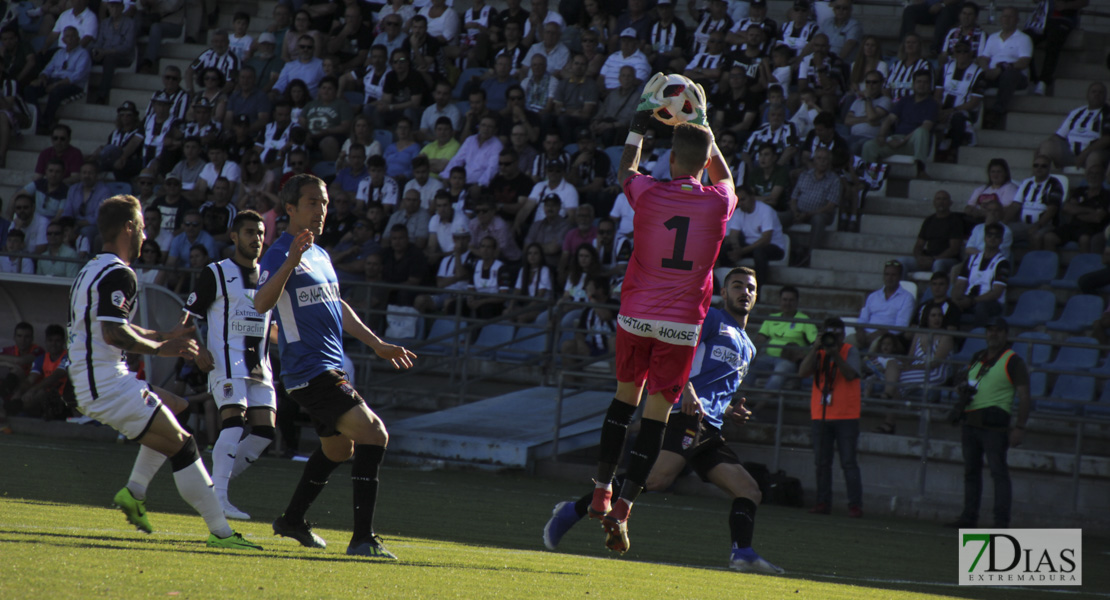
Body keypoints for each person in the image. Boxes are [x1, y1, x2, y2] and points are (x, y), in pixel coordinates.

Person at [545, 267, 783, 572]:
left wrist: (729, 410)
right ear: (723, 293)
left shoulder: (749, 347)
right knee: (658, 478)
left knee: (749, 491)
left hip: (710, 426)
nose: (744, 292)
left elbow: (715, 390)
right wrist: (686, 390)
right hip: (683, 414)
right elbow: (677, 356)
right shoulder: (711, 318)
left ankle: (742, 553)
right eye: (737, 286)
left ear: (756, 295)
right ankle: (571, 511)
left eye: (750, 287)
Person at [586, 89, 736, 554]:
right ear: (704, 158)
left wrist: (638, 122)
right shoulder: (717, 203)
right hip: (681, 327)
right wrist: (706, 126)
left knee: (621, 403)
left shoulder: (648, 194)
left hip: (635, 316)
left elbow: (625, 170)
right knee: (656, 418)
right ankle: (625, 508)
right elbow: (726, 177)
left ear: (671, 159)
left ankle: (600, 491)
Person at [66, 194, 260, 550]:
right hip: (106, 383)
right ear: (128, 228)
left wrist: (164, 335)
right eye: (140, 227)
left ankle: (135, 491)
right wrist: (163, 348)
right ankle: (222, 533)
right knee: (184, 445)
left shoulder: (93, 267)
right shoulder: (119, 273)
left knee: (177, 407)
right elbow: (113, 333)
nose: (144, 235)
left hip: (93, 378)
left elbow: (114, 326)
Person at [255, 174, 416, 558]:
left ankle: (292, 519)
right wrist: (291, 260)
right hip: (309, 372)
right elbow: (261, 304)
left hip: (329, 367)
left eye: (324, 203)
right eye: (312, 202)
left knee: (339, 450)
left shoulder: (321, 254)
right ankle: (363, 538)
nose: (321, 210)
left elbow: (336, 305)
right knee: (374, 434)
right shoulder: (279, 254)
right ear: (290, 209)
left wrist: (376, 343)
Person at [181, 211, 274, 520]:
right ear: (234, 237)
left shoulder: (269, 276)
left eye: (260, 233)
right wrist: (197, 350)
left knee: (264, 432)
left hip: (260, 365)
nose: (256, 238)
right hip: (226, 359)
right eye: (249, 232)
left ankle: (211, 486)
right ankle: (219, 498)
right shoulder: (217, 273)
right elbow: (188, 318)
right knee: (234, 422)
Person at [946, 317, 1031, 529]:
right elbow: (965, 380)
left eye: (997, 331)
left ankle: (1001, 522)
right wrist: (961, 388)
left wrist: (1019, 427)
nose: (993, 334)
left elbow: (1025, 395)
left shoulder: (1013, 361)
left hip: (994, 424)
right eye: (990, 330)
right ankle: (968, 517)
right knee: (972, 472)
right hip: (971, 420)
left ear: (1005, 334)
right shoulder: (978, 357)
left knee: (998, 472)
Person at [798, 316, 863, 517]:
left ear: (843, 335)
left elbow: (851, 374)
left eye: (837, 334)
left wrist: (835, 355)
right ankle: (822, 503)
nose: (833, 338)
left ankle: (855, 506)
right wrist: (815, 349)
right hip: (821, 414)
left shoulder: (849, 350)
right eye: (829, 334)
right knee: (822, 462)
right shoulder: (818, 352)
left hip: (846, 415)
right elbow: (802, 372)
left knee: (848, 462)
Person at [862, 70, 937, 178]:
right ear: (913, 84)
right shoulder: (905, 100)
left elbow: (926, 126)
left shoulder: (932, 104)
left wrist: (903, 140)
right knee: (869, 146)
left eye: (925, 82)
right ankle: (869, 179)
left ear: (929, 85)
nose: (921, 85)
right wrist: (882, 136)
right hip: (897, 140)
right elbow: (890, 119)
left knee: (922, 131)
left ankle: (920, 170)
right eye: (918, 82)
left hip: (914, 142)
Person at [976, 7, 1032, 129]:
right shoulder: (992, 37)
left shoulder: (1024, 38)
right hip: (993, 73)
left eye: (1010, 17)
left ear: (1017, 20)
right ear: (1000, 19)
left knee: (1009, 75)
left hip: (1015, 76)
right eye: (1004, 16)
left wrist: (1002, 69)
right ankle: (972, 111)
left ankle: (996, 112)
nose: (1007, 19)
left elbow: (1024, 62)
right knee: (975, 75)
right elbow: (984, 58)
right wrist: (986, 70)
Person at [754, 286, 817, 392]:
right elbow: (760, 339)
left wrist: (804, 356)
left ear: (797, 302)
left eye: (791, 300)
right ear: (780, 301)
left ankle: (759, 406)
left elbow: (815, 342)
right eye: (785, 300)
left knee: (779, 373)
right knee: (749, 369)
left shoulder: (805, 320)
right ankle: (743, 403)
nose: (787, 303)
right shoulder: (772, 317)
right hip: (768, 358)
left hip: (788, 361)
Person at [1036, 82, 1109, 171]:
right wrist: (1042, 146)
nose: (1097, 94)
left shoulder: (1107, 113)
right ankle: (1039, 180)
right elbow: (1059, 136)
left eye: (1100, 92)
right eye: (1094, 92)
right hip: (1070, 152)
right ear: (1087, 95)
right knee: (1047, 146)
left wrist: (1085, 153)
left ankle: (1089, 183)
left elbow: (1107, 139)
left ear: (1105, 96)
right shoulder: (1076, 112)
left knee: (1095, 156)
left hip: (1092, 153)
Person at [724, 185, 785, 285]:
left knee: (759, 252)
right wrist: (736, 248)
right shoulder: (738, 213)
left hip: (773, 247)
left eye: (743, 199)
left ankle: (760, 287)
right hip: (749, 247)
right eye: (738, 201)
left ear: (752, 197)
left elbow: (766, 239)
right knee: (725, 249)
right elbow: (733, 235)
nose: (740, 204)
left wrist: (741, 251)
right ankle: (728, 284)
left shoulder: (766, 210)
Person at [953, 222, 1010, 322]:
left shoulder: (1002, 263)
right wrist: (956, 299)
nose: (992, 238)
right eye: (989, 235)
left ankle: (978, 336)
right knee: (950, 305)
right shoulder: (972, 259)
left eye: (996, 236)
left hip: (991, 303)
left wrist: (972, 301)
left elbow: (996, 292)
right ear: (985, 238)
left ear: (1001, 240)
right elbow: (960, 284)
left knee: (981, 308)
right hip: (970, 299)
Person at [900, 190, 964, 275]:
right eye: (938, 199)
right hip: (929, 258)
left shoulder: (955, 221)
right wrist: (919, 258)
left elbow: (954, 249)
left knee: (938, 264)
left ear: (950, 203)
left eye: (944, 199)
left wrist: (935, 259)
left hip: (948, 260)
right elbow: (919, 245)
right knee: (901, 262)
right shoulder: (929, 220)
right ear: (934, 202)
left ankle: (935, 288)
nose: (941, 202)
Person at [855, 260, 915, 352]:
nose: (889, 278)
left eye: (893, 275)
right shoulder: (873, 296)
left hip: (888, 338)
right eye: (887, 274)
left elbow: (901, 326)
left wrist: (881, 333)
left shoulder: (907, 298)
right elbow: (863, 318)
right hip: (865, 334)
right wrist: (860, 330)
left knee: (873, 349)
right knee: (844, 345)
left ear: (900, 277)